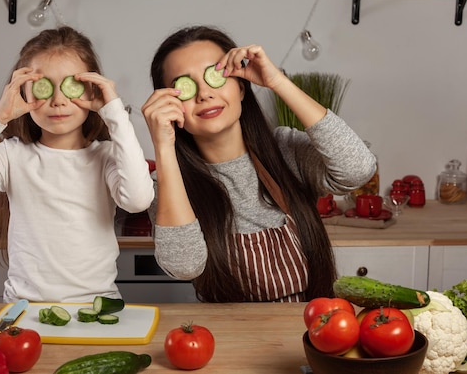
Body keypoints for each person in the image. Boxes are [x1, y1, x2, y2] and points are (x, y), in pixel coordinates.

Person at [141, 25, 376, 303]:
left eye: (215, 76)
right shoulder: (170, 186)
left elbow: (358, 170)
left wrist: (278, 82)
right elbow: (184, 266)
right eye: (184, 86)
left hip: (315, 329)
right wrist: (163, 145)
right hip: (232, 339)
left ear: (241, 87)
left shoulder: (285, 149)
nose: (203, 94)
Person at [0, 26, 154, 303]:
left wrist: (115, 112)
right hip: (24, 309)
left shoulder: (107, 155)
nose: (58, 100)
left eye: (72, 86)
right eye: (44, 87)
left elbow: (138, 200)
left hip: (97, 305)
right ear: (22, 93)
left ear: (93, 90)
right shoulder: (11, 156)